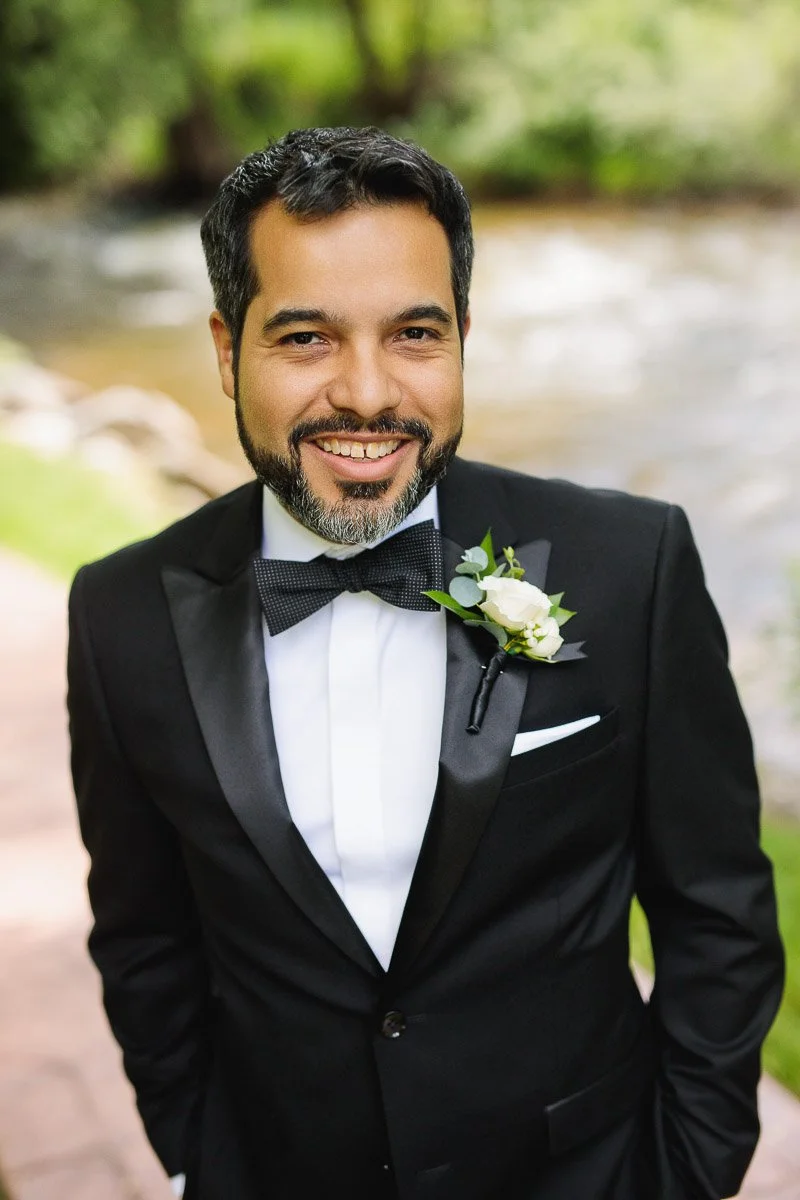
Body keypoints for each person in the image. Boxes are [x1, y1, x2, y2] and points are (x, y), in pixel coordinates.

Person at [68, 126, 784, 1200]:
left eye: (413, 332)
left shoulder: (630, 566)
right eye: (305, 338)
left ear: (461, 337)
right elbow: (143, 936)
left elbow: (716, 907)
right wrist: (193, 1150)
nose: (365, 394)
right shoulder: (119, 614)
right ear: (226, 350)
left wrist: (687, 1167)